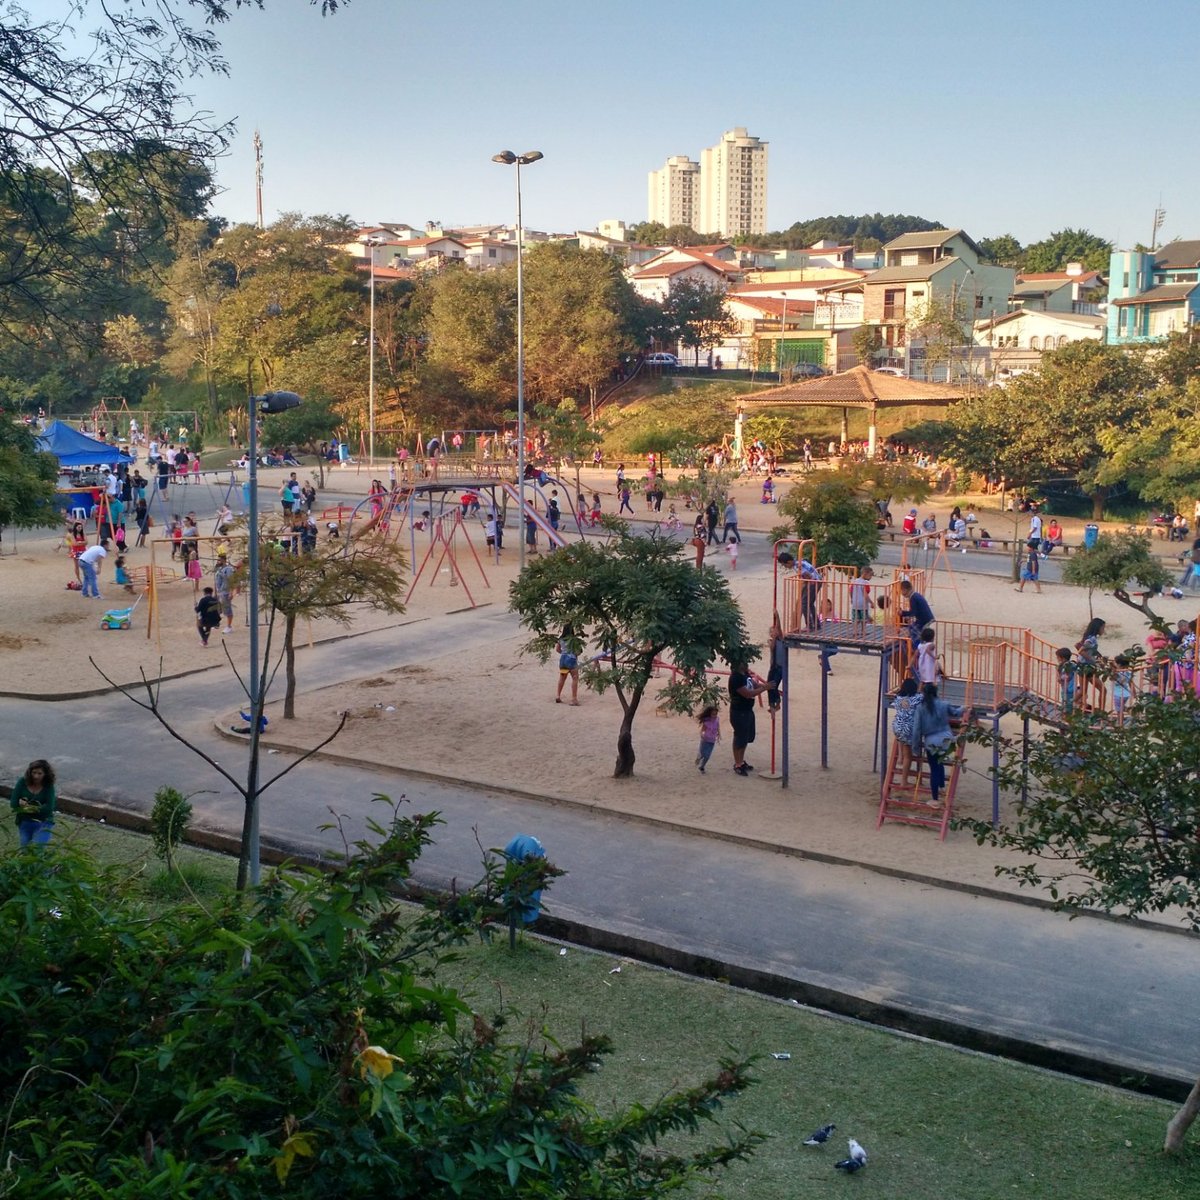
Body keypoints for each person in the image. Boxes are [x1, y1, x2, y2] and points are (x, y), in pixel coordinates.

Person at [908, 683, 964, 807]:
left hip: (931, 740)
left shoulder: (921, 708)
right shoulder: (944, 704)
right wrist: (965, 708)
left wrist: (915, 747)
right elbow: (956, 713)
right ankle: (942, 786)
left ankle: (935, 799)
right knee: (940, 763)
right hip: (946, 739)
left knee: (934, 768)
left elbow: (917, 729)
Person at [728, 660, 768, 775]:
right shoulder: (735, 678)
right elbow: (748, 694)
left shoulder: (745, 674)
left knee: (745, 738)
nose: (747, 664)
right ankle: (737, 764)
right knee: (739, 737)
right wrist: (764, 688)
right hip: (739, 712)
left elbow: (755, 685)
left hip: (747, 710)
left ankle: (741, 761)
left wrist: (764, 686)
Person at [10, 760, 57, 848]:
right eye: (34, 773)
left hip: (43, 822)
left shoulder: (48, 786)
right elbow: (13, 804)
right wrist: (38, 808)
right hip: (24, 821)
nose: (36, 776)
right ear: (30, 772)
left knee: (37, 850)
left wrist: (26, 807)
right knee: (25, 850)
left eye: (40, 773)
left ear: (45, 774)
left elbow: (49, 808)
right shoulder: (22, 782)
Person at [890, 678, 921, 787]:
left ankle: (900, 757)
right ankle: (904, 781)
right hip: (909, 728)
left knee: (900, 738)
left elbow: (893, 693)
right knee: (909, 756)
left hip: (897, 726)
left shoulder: (898, 698)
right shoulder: (917, 698)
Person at [899, 580, 934, 648]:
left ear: (905, 590)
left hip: (923, 619)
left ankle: (917, 648)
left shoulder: (913, 598)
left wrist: (902, 613)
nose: (901, 593)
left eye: (901, 591)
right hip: (926, 618)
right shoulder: (916, 595)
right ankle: (919, 646)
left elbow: (913, 612)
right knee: (914, 629)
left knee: (913, 631)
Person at [555, 625, 580, 705]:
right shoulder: (574, 640)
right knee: (575, 678)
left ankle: (558, 696)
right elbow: (577, 651)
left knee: (562, 678)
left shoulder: (560, 639)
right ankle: (574, 699)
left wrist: (564, 653)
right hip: (571, 659)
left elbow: (558, 649)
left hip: (563, 660)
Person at [214, 552, 236, 633]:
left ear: (223, 560)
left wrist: (231, 592)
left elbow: (231, 581)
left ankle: (229, 626)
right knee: (218, 608)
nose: (217, 561)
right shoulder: (219, 569)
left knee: (227, 609)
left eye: (219, 560)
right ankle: (216, 623)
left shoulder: (228, 569)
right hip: (220, 591)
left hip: (225, 592)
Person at [850, 566, 874, 638]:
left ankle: (855, 631)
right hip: (863, 604)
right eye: (870, 575)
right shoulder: (864, 583)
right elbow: (865, 594)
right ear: (865, 574)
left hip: (855, 603)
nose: (871, 577)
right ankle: (863, 631)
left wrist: (852, 598)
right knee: (864, 619)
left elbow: (850, 591)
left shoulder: (855, 581)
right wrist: (871, 602)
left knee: (856, 619)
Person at [695, 704, 720, 773]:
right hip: (705, 740)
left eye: (716, 714)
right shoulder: (706, 722)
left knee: (707, 755)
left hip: (712, 741)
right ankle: (699, 757)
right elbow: (702, 730)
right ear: (709, 714)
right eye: (713, 714)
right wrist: (702, 734)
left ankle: (702, 767)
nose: (715, 716)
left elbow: (718, 727)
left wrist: (719, 734)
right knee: (703, 753)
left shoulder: (717, 720)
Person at [1056, 647, 1078, 715]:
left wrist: (1060, 676)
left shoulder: (1065, 667)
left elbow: (1064, 678)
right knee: (1069, 704)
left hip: (1068, 689)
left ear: (1062, 658)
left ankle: (1066, 717)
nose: (1057, 659)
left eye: (1058, 657)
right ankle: (1068, 715)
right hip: (1071, 688)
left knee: (1067, 704)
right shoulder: (1072, 665)